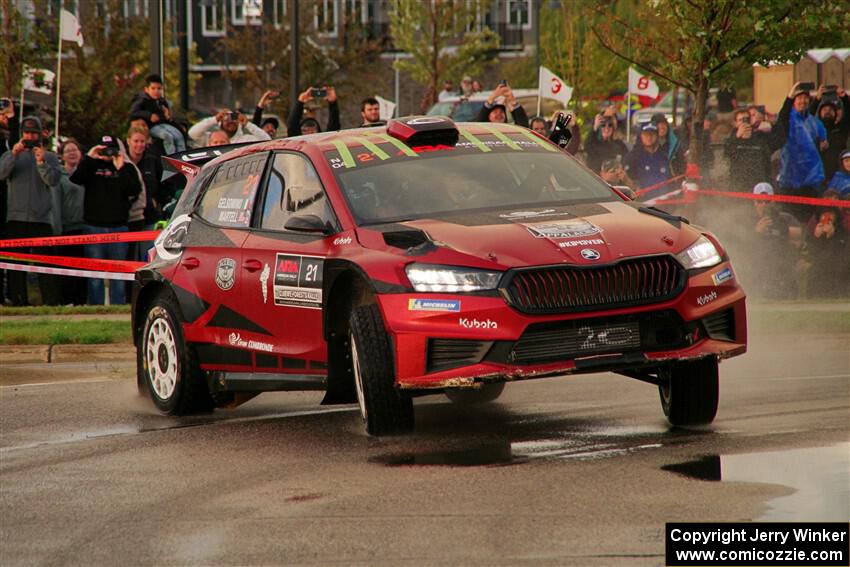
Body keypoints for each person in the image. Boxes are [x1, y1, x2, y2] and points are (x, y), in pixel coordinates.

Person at [70, 135, 142, 305]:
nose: (107, 152)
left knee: (118, 274)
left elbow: (134, 190)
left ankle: (117, 307)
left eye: (111, 149)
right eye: (104, 148)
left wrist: (121, 168)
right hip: (93, 227)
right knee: (95, 275)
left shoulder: (126, 167)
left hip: (119, 228)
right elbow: (75, 179)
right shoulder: (91, 165)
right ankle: (96, 307)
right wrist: (89, 156)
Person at [0, 116, 62, 305]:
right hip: (16, 219)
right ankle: (18, 301)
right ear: (21, 134)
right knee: (16, 266)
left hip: (41, 220)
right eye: (27, 133)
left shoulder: (49, 156)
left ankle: (50, 303)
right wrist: (13, 154)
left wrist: (42, 163)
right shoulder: (10, 154)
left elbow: (53, 181)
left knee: (46, 264)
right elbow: (1, 174)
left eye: (34, 133)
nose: (30, 136)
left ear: (40, 135)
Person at [777, 81, 827, 221]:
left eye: (805, 98)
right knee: (790, 217)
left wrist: (817, 99)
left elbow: (808, 115)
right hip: (791, 177)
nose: (803, 101)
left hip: (810, 178)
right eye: (799, 98)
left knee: (808, 217)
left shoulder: (811, 120)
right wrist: (789, 97)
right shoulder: (788, 119)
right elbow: (784, 116)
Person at [53, 139, 87, 305]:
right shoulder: (59, 176)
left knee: (82, 267)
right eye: (68, 151)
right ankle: (66, 300)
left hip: (84, 228)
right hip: (65, 229)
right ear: (62, 155)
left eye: (75, 150)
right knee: (67, 267)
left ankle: (81, 302)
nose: (72, 153)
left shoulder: (86, 172)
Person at [126, 126, 166, 262]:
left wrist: (156, 200)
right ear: (128, 141)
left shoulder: (153, 161)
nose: (139, 145)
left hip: (149, 218)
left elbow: (164, 185)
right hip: (127, 219)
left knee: (147, 259)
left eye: (142, 141)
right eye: (136, 141)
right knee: (129, 259)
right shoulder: (122, 161)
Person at [724, 108, 785, 192]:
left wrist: (775, 124)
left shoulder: (761, 138)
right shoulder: (732, 139)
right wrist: (737, 136)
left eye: (747, 119)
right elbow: (726, 152)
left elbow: (780, 140)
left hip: (759, 187)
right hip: (739, 188)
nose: (744, 122)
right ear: (735, 123)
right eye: (741, 120)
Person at [129, 74, 186, 155]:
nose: (156, 91)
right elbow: (133, 112)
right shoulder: (142, 100)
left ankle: (183, 158)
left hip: (163, 125)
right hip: (150, 127)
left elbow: (167, 117)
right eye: (153, 88)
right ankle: (172, 159)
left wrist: (168, 116)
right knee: (167, 136)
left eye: (159, 89)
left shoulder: (161, 101)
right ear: (146, 89)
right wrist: (149, 115)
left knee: (178, 135)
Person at [808, 85, 850, 182]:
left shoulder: (841, 129)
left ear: (835, 114)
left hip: (838, 177)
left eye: (830, 110)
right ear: (820, 114)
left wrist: (844, 98)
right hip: (817, 176)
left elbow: (848, 115)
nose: (827, 112)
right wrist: (817, 100)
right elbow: (807, 117)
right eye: (824, 110)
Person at [623, 123, 671, 194]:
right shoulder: (632, 157)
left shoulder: (666, 155)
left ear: (657, 136)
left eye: (652, 134)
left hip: (664, 198)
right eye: (646, 134)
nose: (649, 137)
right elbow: (626, 179)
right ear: (640, 136)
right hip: (641, 199)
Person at [188, 109, 271, 146]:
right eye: (227, 120)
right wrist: (215, 119)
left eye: (234, 119)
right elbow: (192, 133)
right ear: (220, 123)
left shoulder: (246, 140)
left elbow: (267, 140)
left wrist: (247, 124)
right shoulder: (212, 138)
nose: (230, 122)